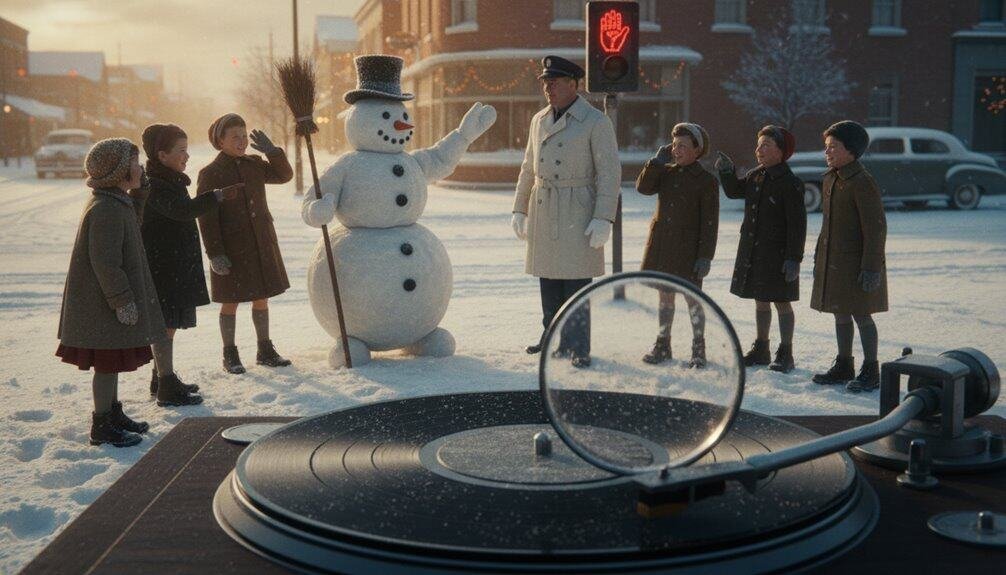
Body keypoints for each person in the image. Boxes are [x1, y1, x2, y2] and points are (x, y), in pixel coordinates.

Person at [511, 56, 621, 368]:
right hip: (544, 204)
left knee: (575, 281)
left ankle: (578, 345)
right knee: (549, 280)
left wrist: (604, 216)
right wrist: (519, 208)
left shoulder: (596, 122)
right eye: (546, 82)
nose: (549, 88)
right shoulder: (538, 119)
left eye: (555, 82)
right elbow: (527, 169)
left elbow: (610, 173)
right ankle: (552, 338)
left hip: (578, 207)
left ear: (575, 85)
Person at [56, 138, 165, 447]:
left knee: (112, 361)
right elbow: (105, 262)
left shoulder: (116, 201)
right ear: (118, 171)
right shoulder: (105, 208)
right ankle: (102, 424)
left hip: (105, 303)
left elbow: (133, 226)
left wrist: (140, 193)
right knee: (106, 363)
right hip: (102, 304)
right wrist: (122, 301)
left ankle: (113, 413)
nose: (140, 167)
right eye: (135, 163)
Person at [140, 123, 240, 403]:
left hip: (172, 266)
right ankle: (166, 386)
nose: (187, 156)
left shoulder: (169, 180)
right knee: (165, 327)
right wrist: (217, 196)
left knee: (168, 325)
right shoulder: (156, 185)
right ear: (162, 155)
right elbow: (182, 211)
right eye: (181, 151)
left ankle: (161, 379)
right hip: (163, 268)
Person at [197, 114, 293, 374]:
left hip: (260, 242)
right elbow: (207, 217)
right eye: (234, 136)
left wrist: (273, 152)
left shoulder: (254, 164)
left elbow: (284, 176)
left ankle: (265, 350)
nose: (241, 141)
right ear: (220, 141)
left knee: (261, 297)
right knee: (231, 300)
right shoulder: (211, 173)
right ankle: (230, 353)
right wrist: (215, 253)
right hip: (232, 247)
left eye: (244, 134)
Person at [715, 126, 807, 373]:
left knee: (782, 301)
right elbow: (735, 191)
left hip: (778, 254)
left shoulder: (791, 183)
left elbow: (798, 225)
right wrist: (726, 171)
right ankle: (762, 347)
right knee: (761, 300)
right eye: (758, 145)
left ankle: (786, 352)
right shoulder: (757, 176)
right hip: (755, 250)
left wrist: (793, 258)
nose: (759, 150)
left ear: (781, 152)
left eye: (766, 145)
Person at [809, 120, 888, 392]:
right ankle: (844, 365)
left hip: (858, 264)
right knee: (839, 313)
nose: (827, 152)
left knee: (862, 315)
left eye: (833, 147)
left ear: (851, 151)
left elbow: (876, 229)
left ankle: (871, 370)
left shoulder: (862, 181)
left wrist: (871, 267)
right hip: (836, 263)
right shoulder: (832, 178)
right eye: (826, 147)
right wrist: (820, 255)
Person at [636, 122, 719, 368]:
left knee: (692, 299)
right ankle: (663, 345)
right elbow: (643, 188)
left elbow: (710, 224)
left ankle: (698, 349)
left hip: (689, 250)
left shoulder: (706, 181)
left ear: (697, 150)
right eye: (674, 145)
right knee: (665, 298)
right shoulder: (666, 172)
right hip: (662, 245)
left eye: (682, 146)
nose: (676, 150)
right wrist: (655, 163)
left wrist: (705, 256)